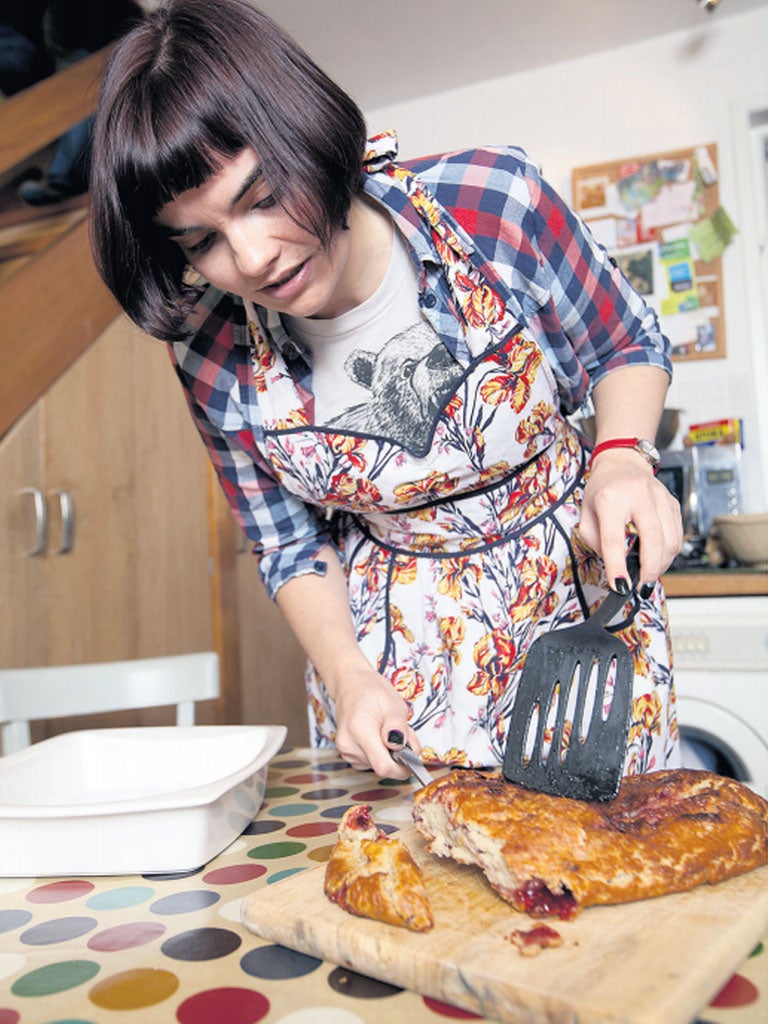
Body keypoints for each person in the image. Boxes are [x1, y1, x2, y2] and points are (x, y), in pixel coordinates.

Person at [89, 0, 683, 781]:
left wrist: (621, 460)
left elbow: (622, 343)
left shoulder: (492, 203)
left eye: (261, 197)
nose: (254, 257)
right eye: (203, 241)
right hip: (392, 665)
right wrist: (348, 678)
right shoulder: (210, 352)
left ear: (309, 132)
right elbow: (287, 544)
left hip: (580, 618)